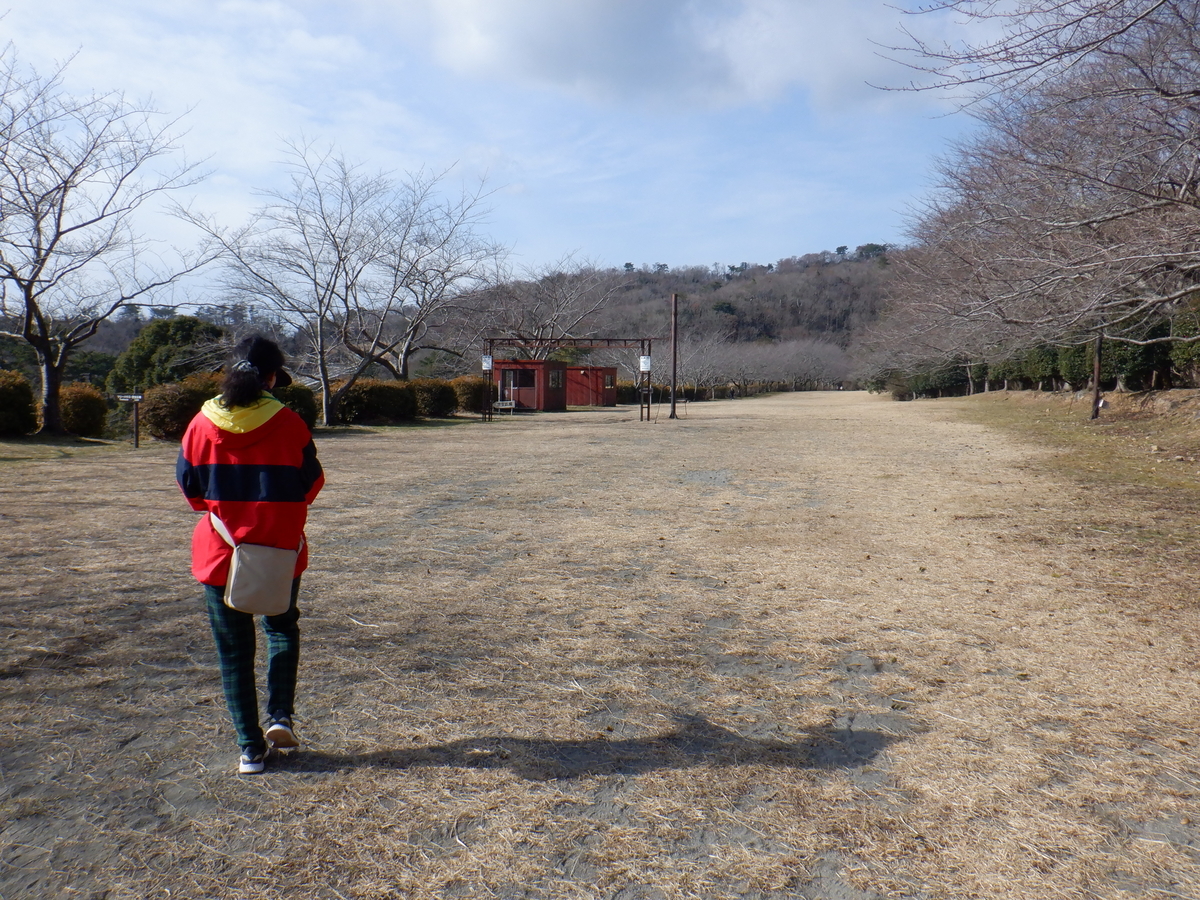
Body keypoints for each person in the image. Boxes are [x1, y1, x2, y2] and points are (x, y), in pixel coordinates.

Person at [176, 336, 324, 774]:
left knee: (234, 651)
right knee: (281, 628)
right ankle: (280, 716)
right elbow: (311, 483)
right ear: (272, 378)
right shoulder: (290, 423)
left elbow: (191, 489)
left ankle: (249, 749)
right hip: (279, 550)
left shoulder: (200, 424)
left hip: (220, 554)